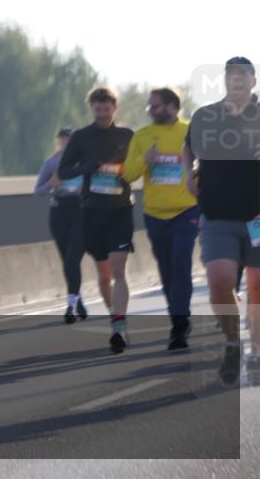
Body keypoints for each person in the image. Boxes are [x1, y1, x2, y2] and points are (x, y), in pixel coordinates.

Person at [184, 57, 260, 385]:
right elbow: (188, 148)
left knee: (257, 287)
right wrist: (188, 173)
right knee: (219, 278)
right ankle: (232, 343)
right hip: (217, 211)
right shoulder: (206, 116)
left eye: (242, 76)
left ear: (253, 82)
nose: (236, 81)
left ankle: (256, 351)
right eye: (231, 76)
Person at [58, 86, 135, 354]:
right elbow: (63, 170)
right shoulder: (81, 137)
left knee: (118, 270)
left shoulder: (127, 136)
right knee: (104, 275)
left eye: (107, 109)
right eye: (97, 109)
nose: (102, 114)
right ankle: (115, 316)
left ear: (115, 108)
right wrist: (84, 168)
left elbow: (138, 166)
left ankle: (118, 327)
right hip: (92, 211)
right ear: (92, 109)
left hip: (121, 210)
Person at [122, 88, 200, 350]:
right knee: (167, 270)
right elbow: (128, 174)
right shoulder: (142, 136)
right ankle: (176, 317)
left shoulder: (191, 132)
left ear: (172, 107)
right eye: (149, 107)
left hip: (186, 210)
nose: (150, 111)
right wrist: (146, 160)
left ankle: (180, 322)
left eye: (155, 106)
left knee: (181, 261)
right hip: (155, 214)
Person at [35, 127, 89, 324]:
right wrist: (52, 183)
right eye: (62, 140)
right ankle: (77, 298)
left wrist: (86, 188)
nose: (66, 143)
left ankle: (70, 306)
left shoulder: (83, 160)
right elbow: (38, 191)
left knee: (73, 258)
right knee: (67, 261)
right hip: (59, 212)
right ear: (58, 141)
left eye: (69, 139)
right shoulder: (51, 163)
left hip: (81, 212)